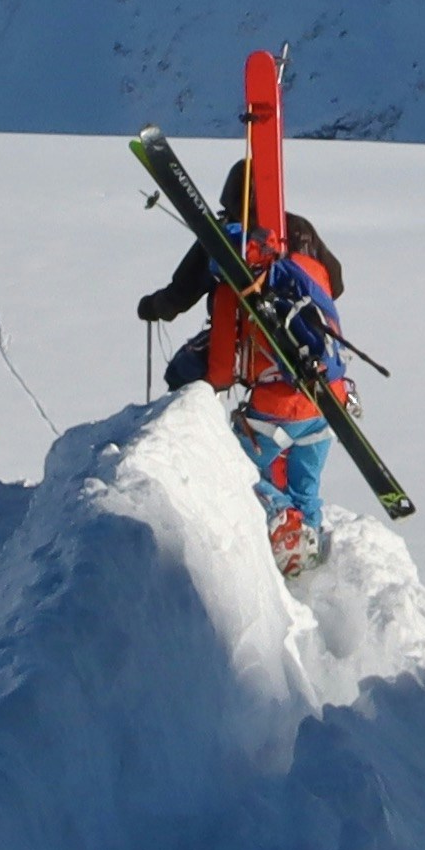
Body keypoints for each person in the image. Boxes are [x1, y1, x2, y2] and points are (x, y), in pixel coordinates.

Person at [136, 161, 352, 572]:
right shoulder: (298, 229)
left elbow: (178, 297)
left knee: (239, 467)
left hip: (274, 403)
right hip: (328, 392)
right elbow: (335, 283)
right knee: (307, 483)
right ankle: (309, 546)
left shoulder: (222, 240)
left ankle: (282, 529)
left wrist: (152, 307)